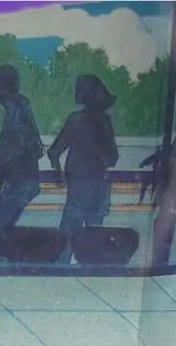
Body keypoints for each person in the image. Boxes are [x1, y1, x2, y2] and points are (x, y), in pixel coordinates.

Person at [48, 75, 120, 262]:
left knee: (67, 240)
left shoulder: (76, 120)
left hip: (80, 187)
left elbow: (54, 152)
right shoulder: (103, 122)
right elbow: (113, 158)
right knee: (91, 241)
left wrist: (59, 176)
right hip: (96, 187)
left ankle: (60, 270)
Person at [0, 65, 45, 244]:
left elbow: (11, 150)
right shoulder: (19, 106)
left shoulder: (16, 110)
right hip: (17, 181)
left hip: (19, 182)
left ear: (3, 87)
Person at [139, 129, 176, 267]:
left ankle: (160, 262)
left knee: (165, 233)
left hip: (167, 204)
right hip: (169, 203)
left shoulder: (171, 156)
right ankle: (160, 264)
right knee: (166, 233)